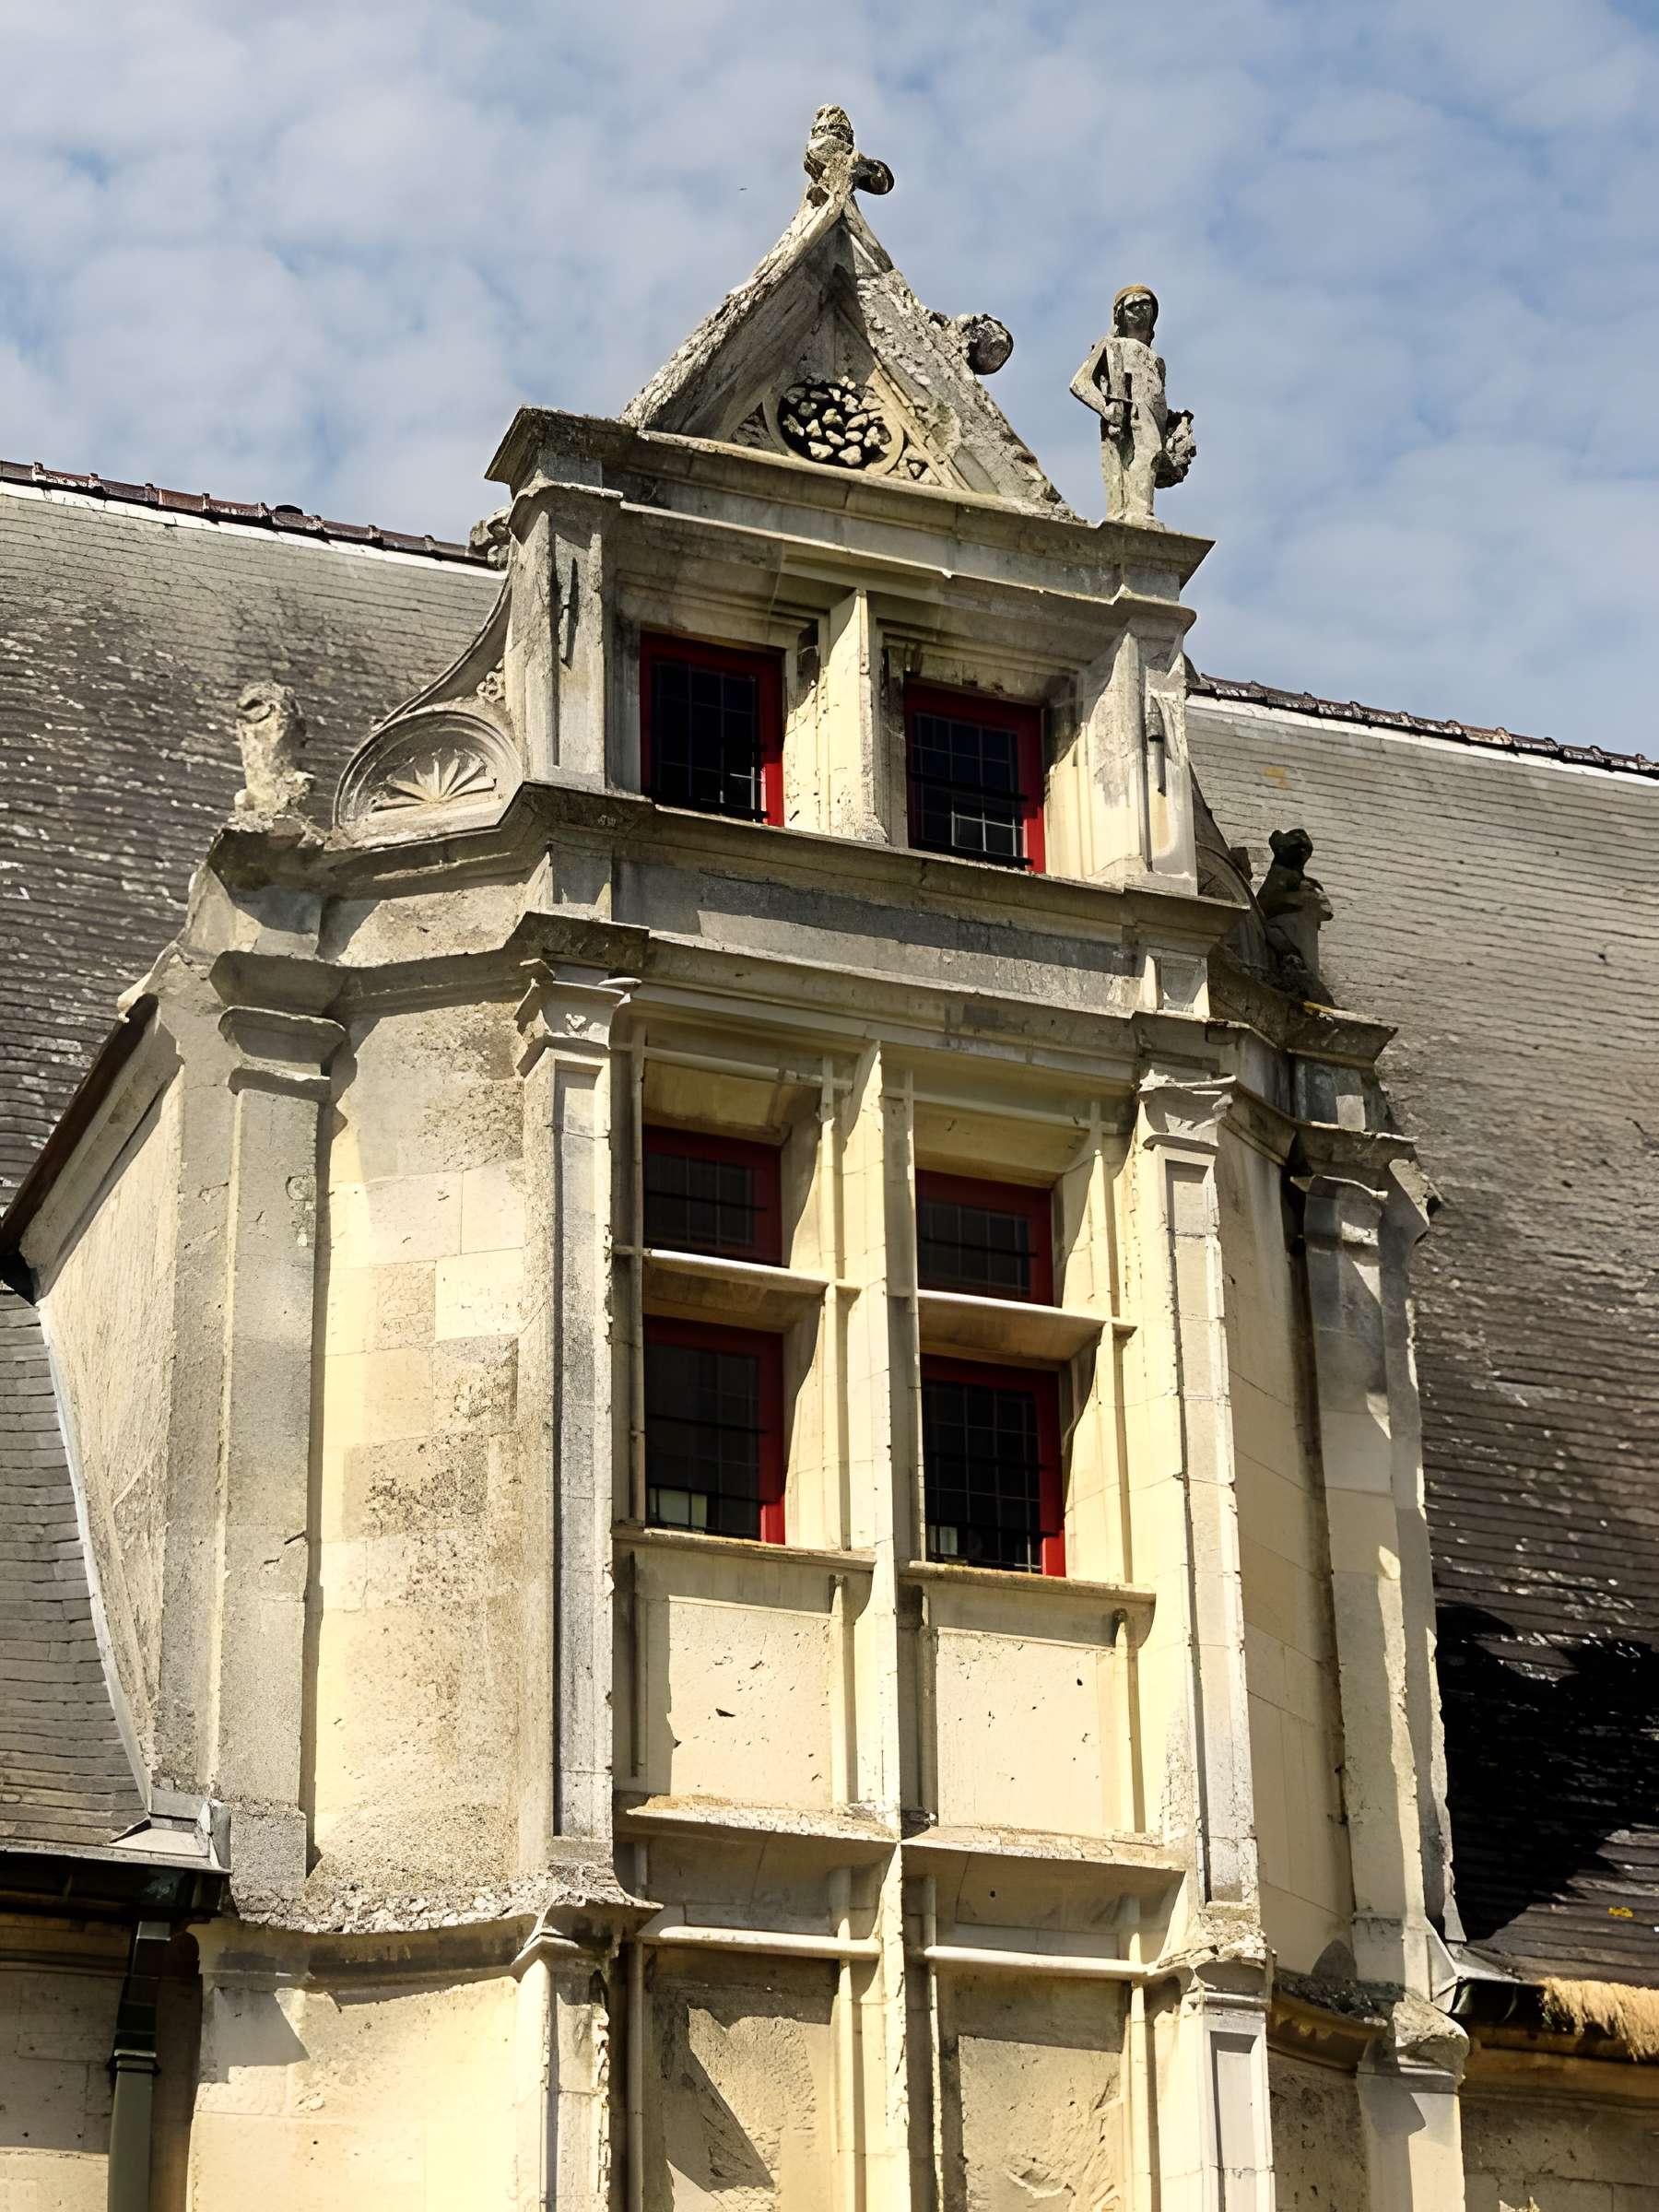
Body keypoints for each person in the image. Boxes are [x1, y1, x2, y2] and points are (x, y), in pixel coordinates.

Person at [1070, 285, 1195, 524]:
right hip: (1128, 412)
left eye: (1146, 304)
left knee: (1152, 455)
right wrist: (1106, 407)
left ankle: (1140, 512)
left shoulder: (1157, 361)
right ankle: (1137, 513)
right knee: (1143, 454)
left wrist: (1173, 422)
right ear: (1120, 315)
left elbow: (1155, 394)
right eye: (1133, 305)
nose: (1140, 309)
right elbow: (1080, 383)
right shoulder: (1111, 345)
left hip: (1153, 416)